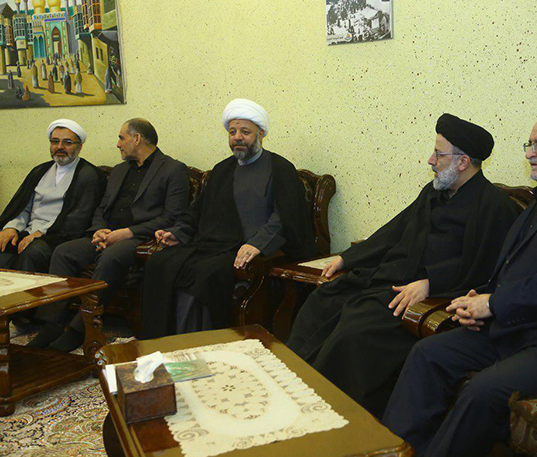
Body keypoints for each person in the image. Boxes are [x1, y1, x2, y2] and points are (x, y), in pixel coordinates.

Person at [382, 110, 537, 457]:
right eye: (529, 144)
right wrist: (484, 297)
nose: (530, 153)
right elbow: (517, 269)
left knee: (482, 391)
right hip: (520, 327)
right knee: (427, 354)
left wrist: (494, 304)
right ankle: (394, 451)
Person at [286, 114, 520, 417]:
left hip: (427, 296)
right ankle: (293, 383)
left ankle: (334, 411)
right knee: (324, 299)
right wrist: (347, 257)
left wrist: (431, 283)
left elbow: (486, 266)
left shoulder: (494, 207)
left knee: (356, 329)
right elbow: (394, 230)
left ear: (463, 162)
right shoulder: (433, 192)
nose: (430, 160)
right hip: (392, 278)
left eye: (439, 154)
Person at [139, 99, 317, 340]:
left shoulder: (280, 168)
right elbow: (197, 210)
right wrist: (178, 232)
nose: (238, 138)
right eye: (233, 132)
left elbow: (286, 216)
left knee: (204, 275)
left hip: (246, 247)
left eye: (245, 132)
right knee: (158, 262)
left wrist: (258, 244)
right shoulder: (222, 169)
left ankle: (197, 343)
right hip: (210, 244)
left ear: (260, 134)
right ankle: (159, 343)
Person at [29, 118, 190, 351]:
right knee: (64, 252)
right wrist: (99, 230)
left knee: (112, 256)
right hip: (108, 234)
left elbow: (172, 217)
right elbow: (101, 208)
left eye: (121, 138)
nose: (118, 144)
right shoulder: (120, 170)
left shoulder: (173, 169)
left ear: (137, 138)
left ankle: (80, 329)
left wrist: (127, 233)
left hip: (141, 238)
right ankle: (51, 324)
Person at [0, 120, 104, 274]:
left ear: (80, 146)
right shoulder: (39, 171)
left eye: (67, 142)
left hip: (58, 237)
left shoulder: (89, 175)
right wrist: (11, 228)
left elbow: (79, 217)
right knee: (3, 245)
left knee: (33, 252)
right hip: (28, 231)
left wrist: (41, 233)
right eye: (55, 141)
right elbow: (23, 207)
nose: (60, 147)